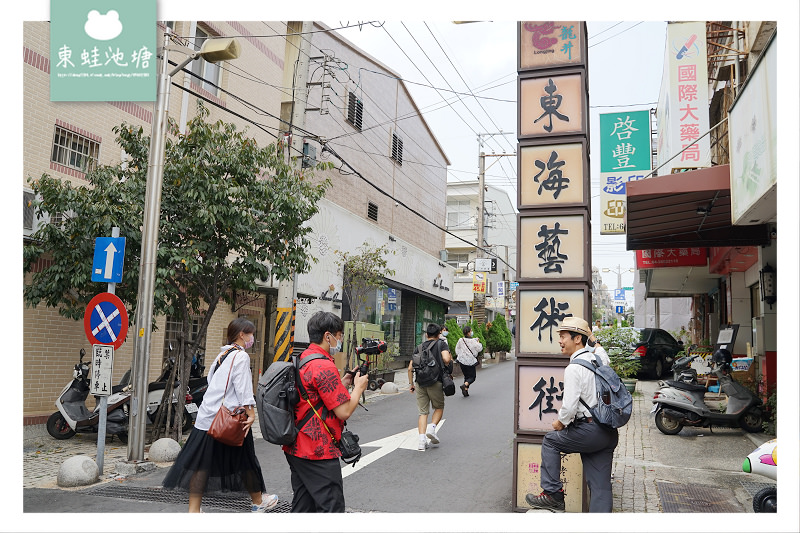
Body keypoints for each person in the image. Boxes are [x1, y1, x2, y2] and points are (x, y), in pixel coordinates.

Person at [163, 317, 278, 513]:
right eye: (250, 334)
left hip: (207, 418)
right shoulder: (241, 357)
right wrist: (251, 412)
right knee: (246, 460)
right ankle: (258, 502)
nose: (252, 338)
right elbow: (242, 387)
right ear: (242, 334)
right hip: (230, 419)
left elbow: (212, 382)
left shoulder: (222, 355)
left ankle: (194, 510)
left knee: (201, 465)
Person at [525, 316, 618, 513]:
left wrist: (560, 423)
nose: (560, 340)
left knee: (551, 441)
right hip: (607, 431)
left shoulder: (574, 368)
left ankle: (553, 494)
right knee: (601, 489)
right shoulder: (599, 359)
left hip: (590, 430)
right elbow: (600, 349)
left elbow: (569, 407)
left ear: (577, 339)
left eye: (563, 336)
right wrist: (592, 337)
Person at [282, 311, 369, 512]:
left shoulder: (303, 357)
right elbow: (344, 411)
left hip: (296, 445)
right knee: (332, 507)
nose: (339, 340)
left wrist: (343, 383)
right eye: (338, 335)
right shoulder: (323, 365)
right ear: (327, 336)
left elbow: (312, 393)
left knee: (303, 505)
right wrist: (358, 388)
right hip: (317, 449)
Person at [407, 323, 452, 451]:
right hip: (435, 381)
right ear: (439, 334)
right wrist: (448, 355)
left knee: (422, 412)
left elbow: (410, 368)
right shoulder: (441, 344)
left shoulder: (419, 347)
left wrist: (411, 384)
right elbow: (446, 359)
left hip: (420, 382)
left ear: (426, 335)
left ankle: (422, 441)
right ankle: (432, 428)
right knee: (438, 407)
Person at [455, 325, 482, 397]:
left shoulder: (461, 340)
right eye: (471, 331)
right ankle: (464, 385)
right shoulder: (473, 341)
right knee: (472, 377)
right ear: (469, 332)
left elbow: (457, 350)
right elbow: (479, 348)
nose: (472, 332)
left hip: (461, 360)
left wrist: (461, 355)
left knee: (466, 376)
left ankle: (465, 390)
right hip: (470, 361)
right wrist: (478, 342)